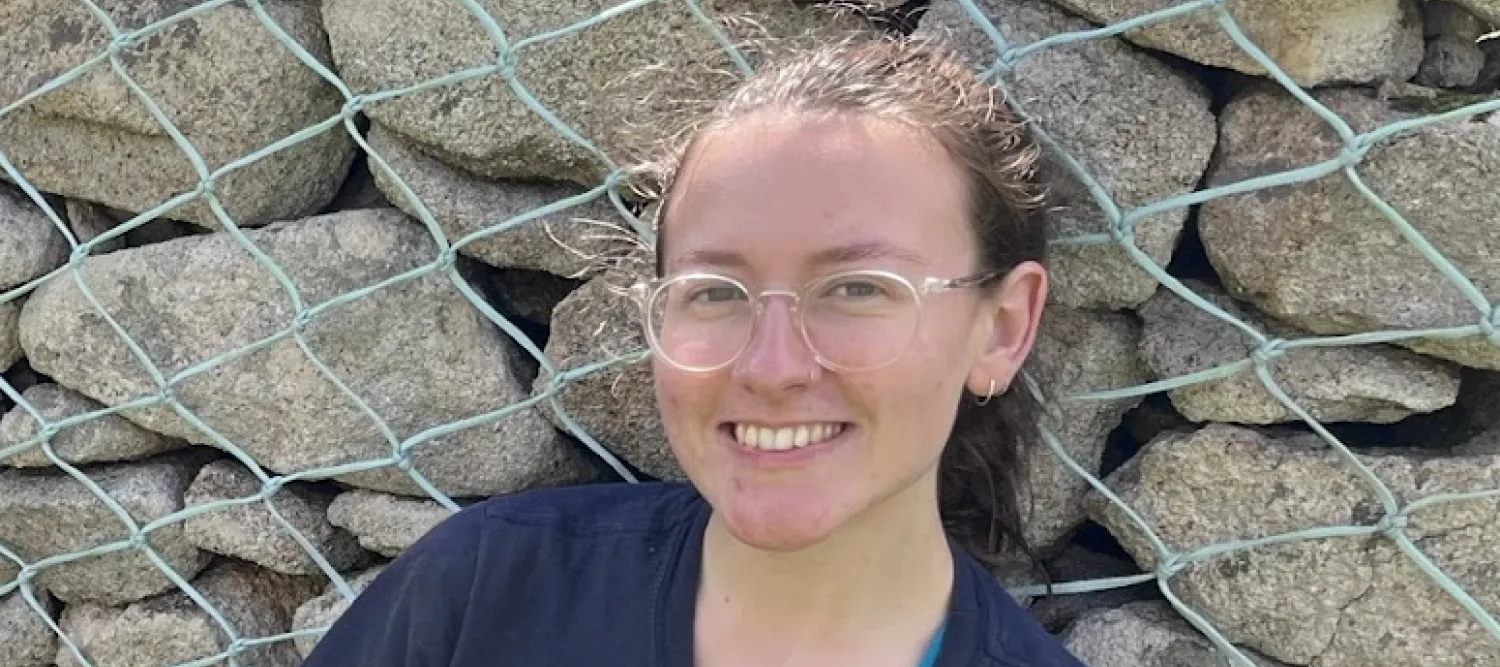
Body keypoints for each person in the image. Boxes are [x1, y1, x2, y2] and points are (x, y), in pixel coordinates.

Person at [299, 32, 1090, 667]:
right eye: (715, 291)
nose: (771, 366)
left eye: (858, 288)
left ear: (1003, 327)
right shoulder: (483, 593)